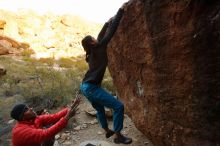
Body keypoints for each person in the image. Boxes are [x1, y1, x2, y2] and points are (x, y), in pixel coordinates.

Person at [80, 2, 132, 145]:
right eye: (93, 39)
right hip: (91, 87)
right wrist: (120, 12)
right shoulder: (100, 47)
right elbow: (111, 32)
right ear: (92, 43)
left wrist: (105, 23)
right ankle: (118, 136)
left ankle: (106, 130)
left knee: (100, 110)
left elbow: (101, 35)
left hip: (85, 87)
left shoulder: (90, 53)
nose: (96, 39)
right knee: (118, 107)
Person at [10, 97, 80, 146]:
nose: (31, 108)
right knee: (48, 133)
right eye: (26, 109)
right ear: (22, 116)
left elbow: (55, 117)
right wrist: (66, 118)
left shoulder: (35, 119)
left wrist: (72, 106)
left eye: (28, 107)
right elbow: (46, 134)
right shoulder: (20, 131)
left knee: (49, 128)